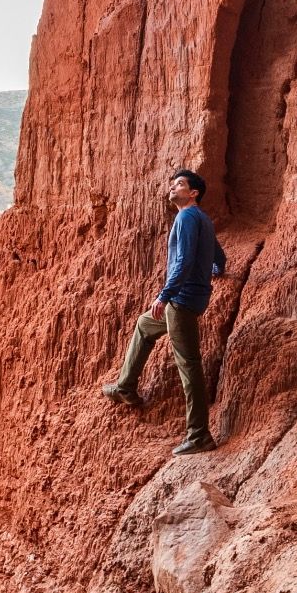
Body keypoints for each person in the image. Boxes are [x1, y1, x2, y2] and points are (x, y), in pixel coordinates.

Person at [101, 169, 226, 455]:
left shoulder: (186, 217)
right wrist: (215, 271)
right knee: (145, 325)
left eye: (179, 184)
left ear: (193, 193)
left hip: (180, 301)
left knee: (189, 364)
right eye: (172, 184)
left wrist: (164, 295)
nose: (172, 188)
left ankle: (199, 435)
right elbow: (218, 255)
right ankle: (125, 387)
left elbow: (182, 260)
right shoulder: (203, 219)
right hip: (189, 297)